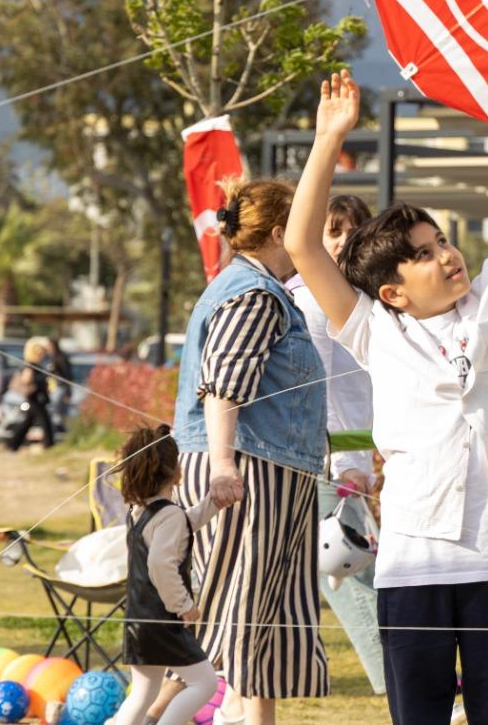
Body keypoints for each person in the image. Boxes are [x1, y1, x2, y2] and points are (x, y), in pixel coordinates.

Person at [286, 71, 488, 725]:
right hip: (415, 563)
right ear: (391, 290)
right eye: (423, 254)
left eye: (441, 239)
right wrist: (330, 137)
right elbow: (303, 245)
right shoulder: (372, 330)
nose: (446, 255)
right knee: (417, 717)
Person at [169, 177, 329, 725]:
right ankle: (143, 716)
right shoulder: (255, 294)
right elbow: (222, 385)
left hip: (267, 472)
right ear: (282, 232)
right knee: (224, 621)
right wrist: (222, 465)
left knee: (254, 625)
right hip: (250, 475)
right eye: (310, 227)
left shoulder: (255, 287)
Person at [285, 191, 385, 694]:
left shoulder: (367, 294)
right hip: (324, 456)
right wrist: (344, 462)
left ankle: (401, 679)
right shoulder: (307, 296)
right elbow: (316, 386)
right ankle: (400, 680)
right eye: (334, 229)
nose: (344, 239)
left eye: (353, 228)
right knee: (345, 566)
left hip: (348, 451)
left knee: (338, 566)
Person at [113, 424, 222, 725]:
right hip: (162, 621)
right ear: (176, 472)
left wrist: (213, 504)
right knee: (205, 683)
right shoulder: (169, 515)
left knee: (144, 692)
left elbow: (180, 529)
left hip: (138, 620)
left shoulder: (139, 511)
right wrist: (184, 605)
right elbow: (161, 565)